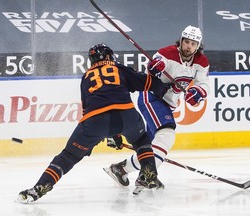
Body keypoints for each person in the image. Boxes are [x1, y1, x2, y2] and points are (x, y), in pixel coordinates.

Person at [17, 43, 168, 203]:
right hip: (127, 116)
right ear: (110, 56)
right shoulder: (118, 68)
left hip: (95, 121)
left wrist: (105, 134)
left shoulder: (86, 77)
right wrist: (166, 86)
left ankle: (39, 188)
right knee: (141, 141)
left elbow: (87, 111)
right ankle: (150, 174)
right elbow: (148, 83)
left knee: (67, 157)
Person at [104, 25, 210, 187]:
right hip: (152, 97)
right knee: (167, 135)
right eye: (186, 42)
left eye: (193, 43)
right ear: (181, 41)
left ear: (198, 46)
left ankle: (121, 169)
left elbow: (204, 83)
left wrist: (198, 92)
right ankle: (147, 175)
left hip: (168, 104)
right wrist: (156, 68)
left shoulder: (201, 62)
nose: (189, 46)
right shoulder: (166, 53)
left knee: (151, 147)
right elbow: (153, 67)